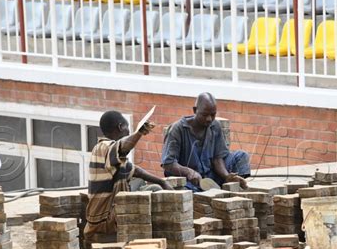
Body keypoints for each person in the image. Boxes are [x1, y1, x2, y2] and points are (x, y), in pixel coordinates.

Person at [84, 110, 173, 241]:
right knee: (152, 197)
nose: (128, 133)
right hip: (105, 219)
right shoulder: (104, 147)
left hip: (107, 215)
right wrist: (139, 133)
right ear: (120, 127)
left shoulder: (113, 158)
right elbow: (124, 147)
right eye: (127, 129)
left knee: (153, 189)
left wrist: (162, 182)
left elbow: (136, 171)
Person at [161, 92, 250, 192]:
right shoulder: (178, 129)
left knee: (241, 156)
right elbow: (168, 163)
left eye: (213, 115)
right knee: (185, 191)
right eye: (204, 115)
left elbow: (217, 158)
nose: (209, 119)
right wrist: (188, 172)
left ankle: (233, 187)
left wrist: (226, 176)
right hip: (190, 181)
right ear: (195, 110)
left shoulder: (215, 126)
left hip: (211, 175)